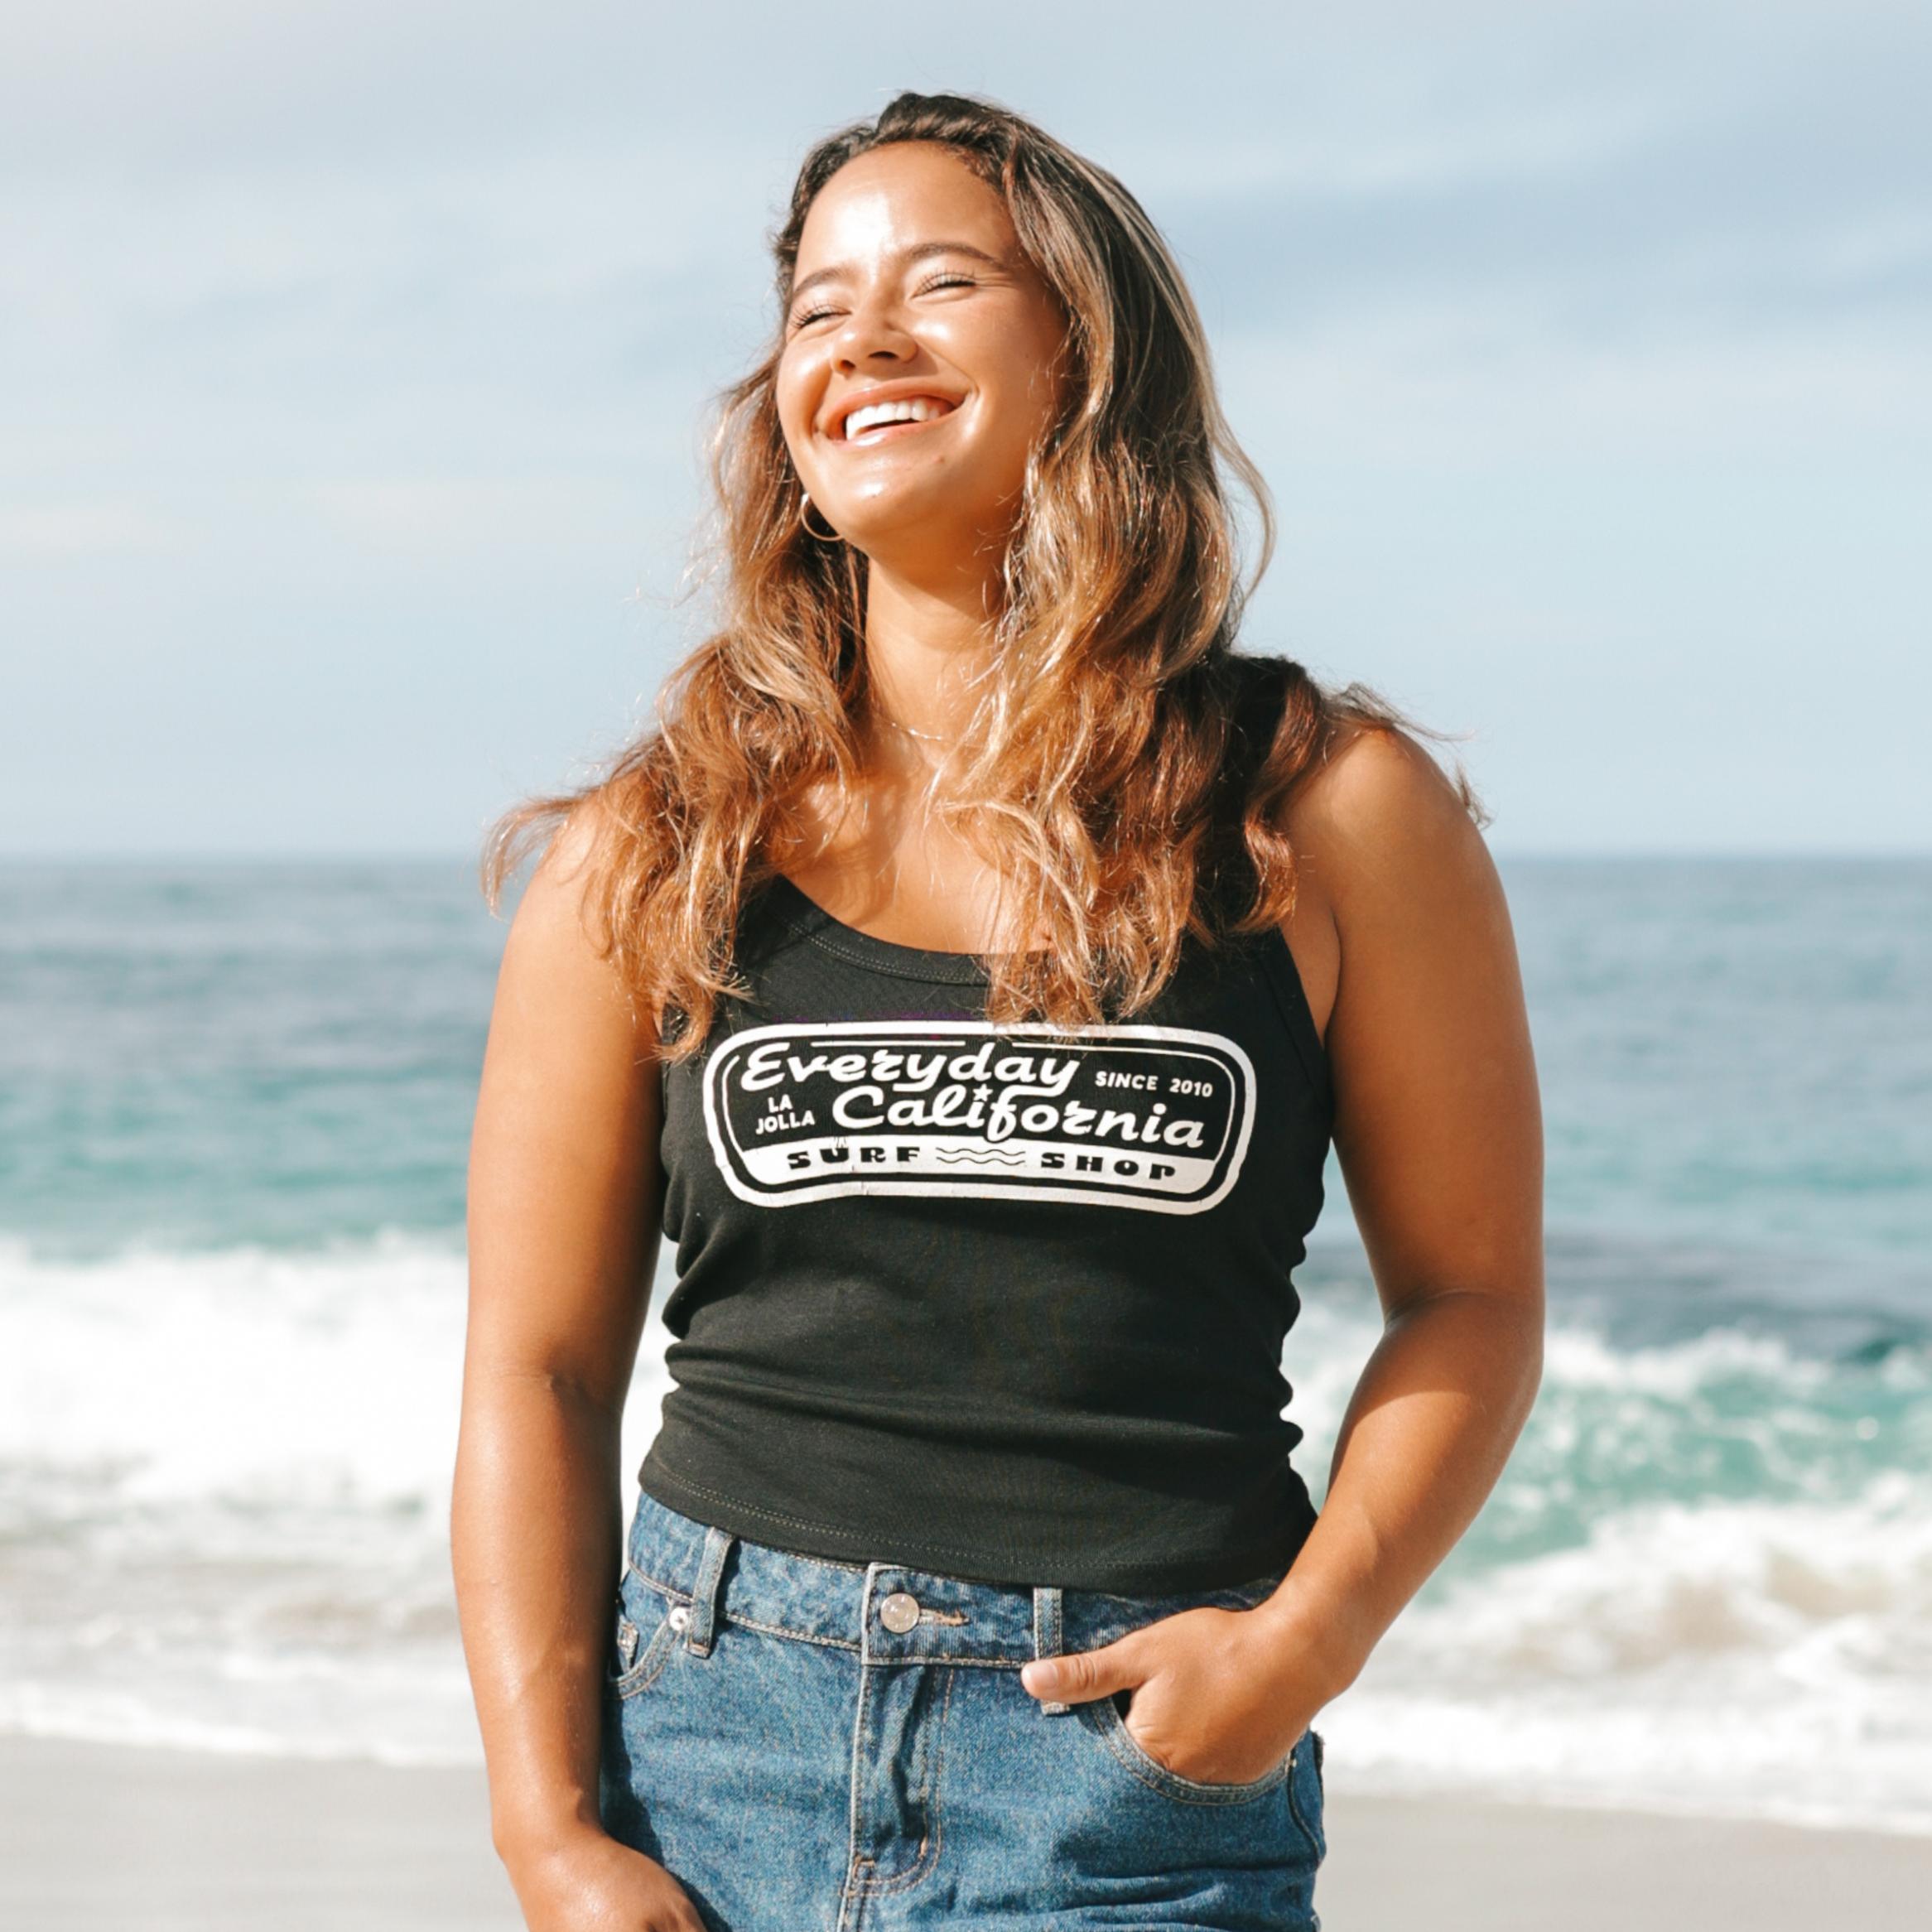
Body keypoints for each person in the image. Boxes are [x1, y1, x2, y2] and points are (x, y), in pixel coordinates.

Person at [451, 89, 1544, 1932]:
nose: (860, 338)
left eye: (939, 283)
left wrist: (1303, 1647)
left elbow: (1474, 1295)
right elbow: (537, 1370)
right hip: (716, 1740)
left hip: (1128, 1767)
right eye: (816, 307)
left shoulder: (1329, 810)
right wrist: (548, 1829)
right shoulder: (653, 846)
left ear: (1088, 356)